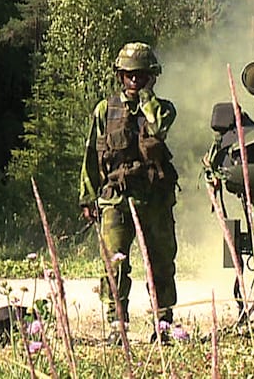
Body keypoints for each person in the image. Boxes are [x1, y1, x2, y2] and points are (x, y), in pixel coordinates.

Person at [79, 42, 179, 343]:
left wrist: (146, 98)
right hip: (117, 199)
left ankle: (163, 324)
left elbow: (159, 128)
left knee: (161, 264)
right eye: (129, 75)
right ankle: (116, 325)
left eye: (141, 75)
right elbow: (92, 154)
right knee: (115, 264)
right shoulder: (105, 110)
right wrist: (88, 196)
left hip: (155, 199)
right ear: (120, 76)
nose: (134, 80)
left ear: (152, 76)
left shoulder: (163, 109)